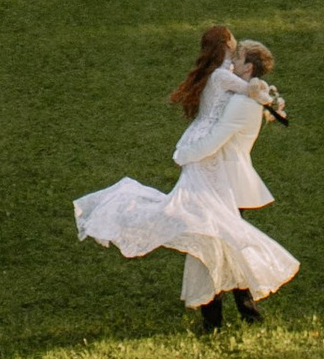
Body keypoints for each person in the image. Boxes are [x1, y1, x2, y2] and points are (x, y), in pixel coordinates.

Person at [74, 21, 299, 335]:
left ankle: (226, 315)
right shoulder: (226, 80)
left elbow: (234, 105)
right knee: (215, 235)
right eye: (233, 46)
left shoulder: (225, 82)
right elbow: (243, 93)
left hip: (211, 165)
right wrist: (266, 99)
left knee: (217, 235)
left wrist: (262, 98)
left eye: (239, 54)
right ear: (225, 48)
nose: (235, 51)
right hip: (208, 164)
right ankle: (229, 314)